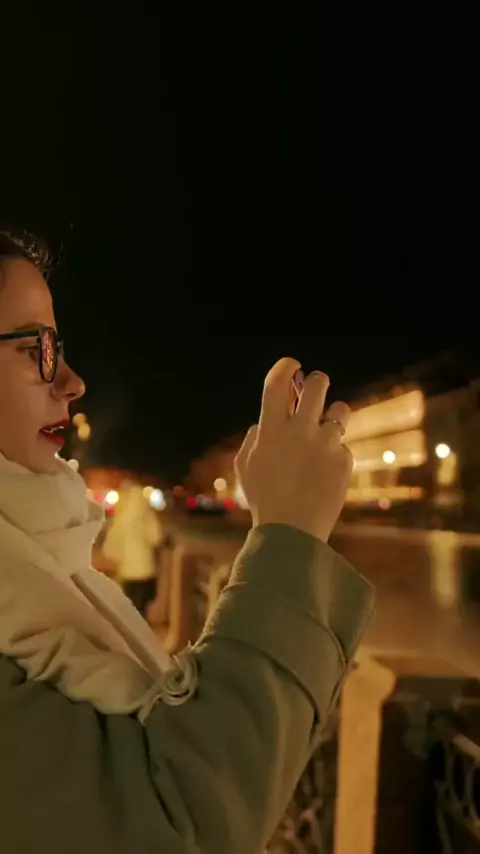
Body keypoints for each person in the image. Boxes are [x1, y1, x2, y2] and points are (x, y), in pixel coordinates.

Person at [0, 229, 375, 854]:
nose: (70, 380)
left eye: (57, 347)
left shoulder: (38, 567)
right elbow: (176, 820)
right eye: (33, 348)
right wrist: (289, 536)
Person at [102, 480, 163, 616]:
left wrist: (114, 558)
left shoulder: (121, 518)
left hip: (127, 570)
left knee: (130, 604)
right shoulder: (147, 515)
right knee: (142, 605)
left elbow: (112, 543)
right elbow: (156, 538)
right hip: (146, 569)